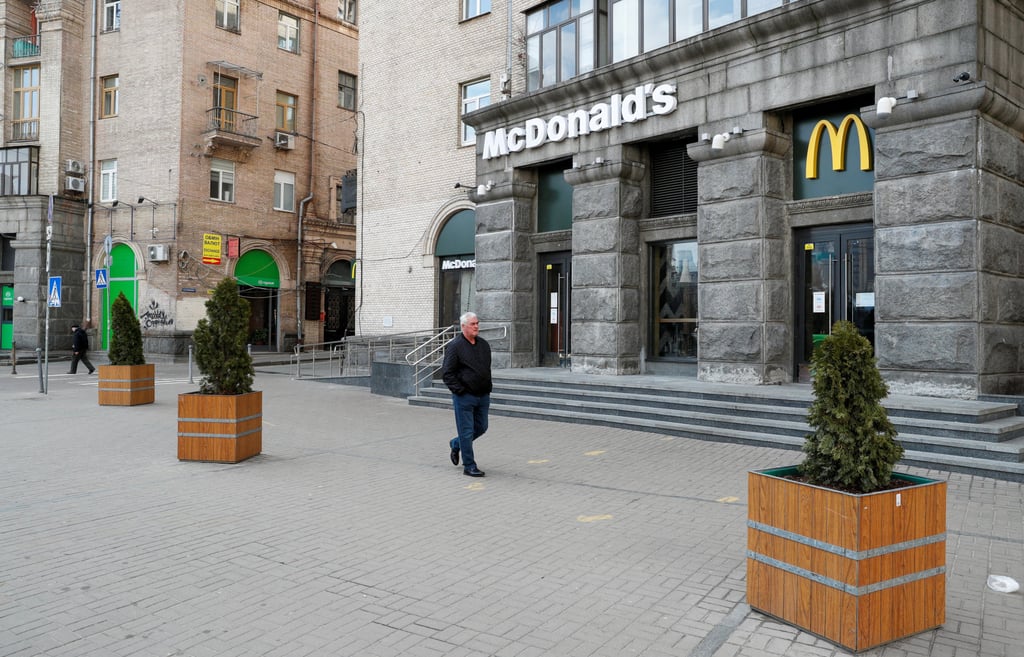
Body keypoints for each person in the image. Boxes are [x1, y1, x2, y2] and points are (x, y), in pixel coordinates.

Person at [442, 312, 492, 477]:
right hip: (464, 397)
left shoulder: (484, 345)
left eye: (477, 323)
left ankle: (456, 444)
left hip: (483, 395)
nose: (476, 326)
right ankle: (469, 465)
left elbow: (486, 368)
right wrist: (460, 390)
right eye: (472, 324)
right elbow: (447, 373)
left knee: (481, 427)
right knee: (466, 431)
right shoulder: (455, 346)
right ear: (463, 326)